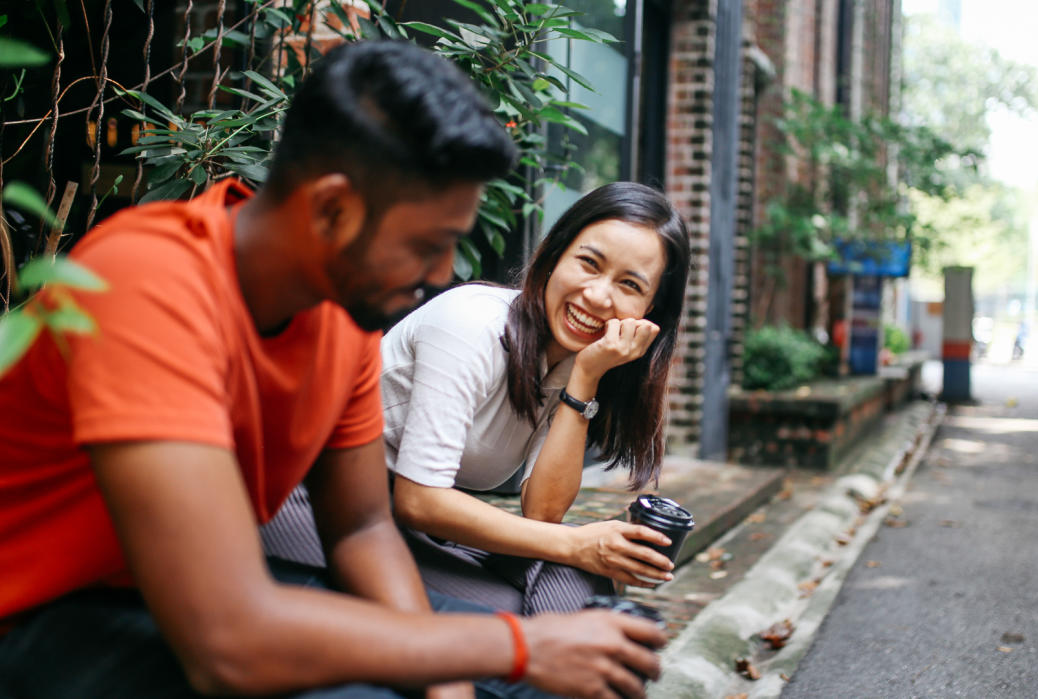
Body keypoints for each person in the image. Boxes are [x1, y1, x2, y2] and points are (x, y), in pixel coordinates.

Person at [0, 41, 664, 699]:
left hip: (183, 598)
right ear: (333, 209)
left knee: (559, 680)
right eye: (427, 245)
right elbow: (225, 639)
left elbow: (362, 528)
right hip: (43, 611)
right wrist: (513, 646)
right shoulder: (149, 284)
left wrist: (448, 681)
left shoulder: (340, 316)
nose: (440, 275)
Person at [264, 183, 690, 615]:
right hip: (312, 503)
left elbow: (542, 514)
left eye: (629, 285)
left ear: (650, 311)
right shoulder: (470, 324)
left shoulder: (579, 360)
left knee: (574, 588)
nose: (598, 296)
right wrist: (580, 543)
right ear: (556, 253)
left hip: (397, 527)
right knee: (535, 611)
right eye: (588, 263)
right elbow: (420, 500)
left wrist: (585, 379)